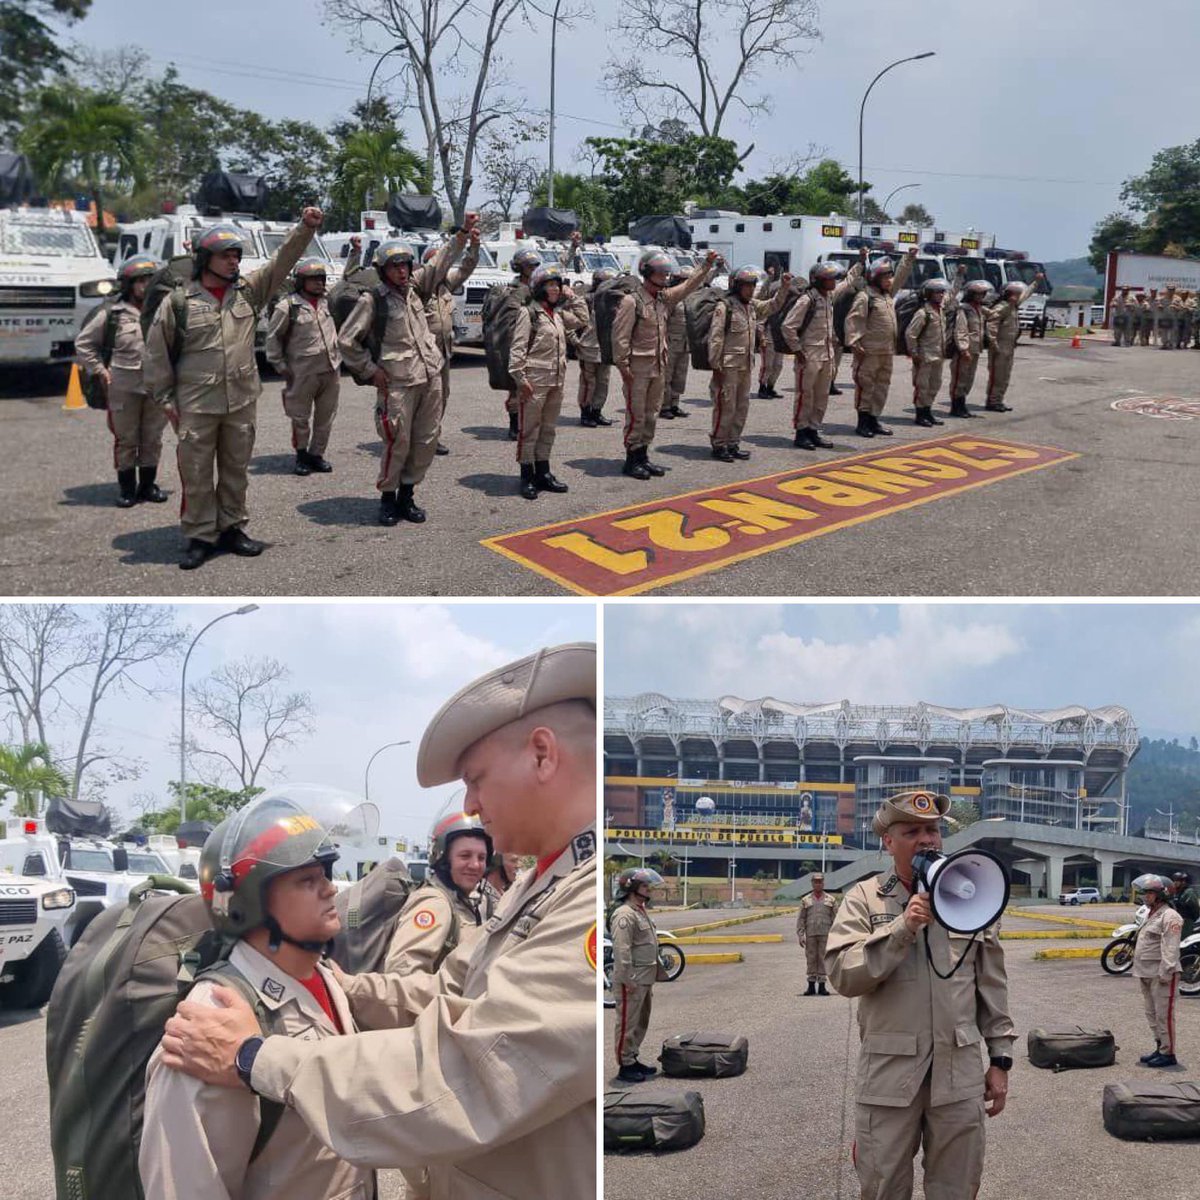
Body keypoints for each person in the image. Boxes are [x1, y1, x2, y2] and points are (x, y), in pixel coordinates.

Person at [159, 643, 597, 1200]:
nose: (470, 803)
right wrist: (341, 988)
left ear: (542, 754)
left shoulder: (582, 898)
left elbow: (469, 1073)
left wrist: (253, 1057)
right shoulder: (217, 1014)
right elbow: (448, 991)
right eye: (305, 880)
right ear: (254, 904)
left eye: (476, 777)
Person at [140, 793, 372, 1200]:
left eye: (325, 874)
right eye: (307, 880)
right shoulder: (209, 1022)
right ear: (248, 904)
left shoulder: (325, 978)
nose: (330, 889)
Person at [826, 789, 1014, 1200]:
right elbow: (842, 976)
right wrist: (901, 929)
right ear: (888, 841)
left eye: (932, 830)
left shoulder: (969, 892)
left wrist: (1000, 1060)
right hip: (890, 1078)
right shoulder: (864, 898)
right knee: (884, 1186)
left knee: (957, 1187)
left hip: (959, 1074)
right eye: (911, 832)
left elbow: (992, 986)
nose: (926, 839)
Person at [143, 208, 322, 570]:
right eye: (225, 255)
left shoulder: (249, 293)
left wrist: (305, 228)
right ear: (205, 259)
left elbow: (282, 261)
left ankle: (232, 528)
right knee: (196, 474)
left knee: (235, 471)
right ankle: (199, 535)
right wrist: (165, 400)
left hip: (240, 402)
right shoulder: (178, 302)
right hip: (196, 404)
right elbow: (156, 355)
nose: (233, 261)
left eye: (236, 255)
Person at [338, 225, 470, 527]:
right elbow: (346, 340)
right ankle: (388, 498)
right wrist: (370, 371)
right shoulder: (373, 300)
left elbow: (439, 262)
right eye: (394, 266)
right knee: (398, 441)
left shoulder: (416, 290)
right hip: (397, 383)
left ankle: (407, 496)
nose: (401, 271)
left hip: (430, 377)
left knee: (426, 440)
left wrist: (462, 236)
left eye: (405, 265)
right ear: (383, 270)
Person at [612, 248, 717, 480]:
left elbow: (689, 286)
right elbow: (620, 337)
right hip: (637, 369)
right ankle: (631, 459)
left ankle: (643, 456)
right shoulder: (631, 301)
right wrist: (623, 367)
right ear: (646, 272)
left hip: (658, 366)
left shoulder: (663, 299)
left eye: (666, 272)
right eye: (659, 272)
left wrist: (706, 265)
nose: (664, 276)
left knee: (652, 414)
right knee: (636, 414)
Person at [75, 255, 170, 508]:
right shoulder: (112, 313)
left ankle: (148, 486)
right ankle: (127, 489)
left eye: (150, 280)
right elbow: (84, 344)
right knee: (126, 439)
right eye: (140, 281)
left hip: (156, 386)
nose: (146, 286)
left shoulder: (164, 310)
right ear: (128, 285)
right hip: (123, 387)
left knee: (152, 438)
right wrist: (99, 369)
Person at [509, 263, 586, 499]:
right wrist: (521, 380)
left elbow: (583, 319)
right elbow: (517, 350)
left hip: (556, 382)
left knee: (548, 429)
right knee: (529, 430)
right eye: (550, 285)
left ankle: (543, 472)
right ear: (539, 288)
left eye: (557, 285)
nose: (555, 289)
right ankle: (526, 476)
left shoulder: (558, 314)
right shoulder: (529, 313)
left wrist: (573, 297)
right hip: (534, 383)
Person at [383, 812, 490, 976]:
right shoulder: (434, 904)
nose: (475, 865)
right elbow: (403, 974)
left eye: (481, 858)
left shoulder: (464, 903)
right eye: (465, 856)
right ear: (443, 859)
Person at [264, 257, 341, 477]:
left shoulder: (327, 302)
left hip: (330, 369)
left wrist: (354, 254)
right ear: (300, 281)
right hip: (302, 372)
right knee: (300, 418)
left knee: (326, 417)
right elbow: (273, 337)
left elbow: (346, 282)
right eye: (313, 279)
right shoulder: (287, 307)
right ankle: (301, 456)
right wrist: (279, 365)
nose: (319, 283)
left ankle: (317, 455)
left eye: (321, 279)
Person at [707, 264, 791, 461]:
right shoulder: (725, 307)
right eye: (747, 286)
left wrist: (784, 287)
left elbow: (773, 305)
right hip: (727, 367)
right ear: (737, 286)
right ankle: (719, 444)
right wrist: (715, 366)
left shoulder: (751, 306)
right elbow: (716, 338)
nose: (750, 290)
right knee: (725, 406)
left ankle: (733, 443)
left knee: (741, 406)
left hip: (745, 365)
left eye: (753, 286)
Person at [419, 221, 481, 455]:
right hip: (423, 353)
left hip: (443, 351)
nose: (443, 267)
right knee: (422, 396)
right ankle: (417, 437)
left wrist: (474, 246)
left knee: (441, 395)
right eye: (439, 263)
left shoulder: (446, 285)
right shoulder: (418, 288)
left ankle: (432, 436)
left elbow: (466, 268)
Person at [845, 249, 916, 438]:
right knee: (866, 387)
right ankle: (862, 422)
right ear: (875, 278)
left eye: (890, 276)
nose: (890, 280)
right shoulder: (865, 297)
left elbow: (901, 277)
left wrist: (908, 259)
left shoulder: (887, 295)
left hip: (886, 351)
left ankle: (874, 419)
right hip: (869, 352)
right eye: (886, 277)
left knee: (881, 387)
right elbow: (853, 320)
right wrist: (855, 343)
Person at [610, 866, 665, 1083]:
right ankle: (625, 1065)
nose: (648, 888)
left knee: (640, 1022)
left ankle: (632, 1057)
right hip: (632, 980)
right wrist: (628, 979)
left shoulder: (640, 911)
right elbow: (621, 950)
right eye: (644, 885)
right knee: (627, 1023)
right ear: (631, 888)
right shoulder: (624, 914)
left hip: (645, 978)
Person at [781, 262, 840, 449]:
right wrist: (797, 350)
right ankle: (801, 432)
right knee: (805, 395)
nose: (834, 281)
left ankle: (814, 430)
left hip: (826, 354)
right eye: (830, 278)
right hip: (809, 355)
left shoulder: (828, 298)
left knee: (821, 396)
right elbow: (788, 326)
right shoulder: (807, 300)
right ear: (818, 280)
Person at [1130, 873, 1183, 1068]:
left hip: (1161, 974)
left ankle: (1169, 1054)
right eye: (1145, 892)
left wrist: (1166, 972)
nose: (1146, 896)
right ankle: (1160, 1047)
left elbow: (1171, 946)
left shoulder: (1170, 916)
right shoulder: (1150, 913)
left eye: (1150, 893)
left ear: (1162, 895)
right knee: (1151, 1014)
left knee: (1164, 1015)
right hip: (1146, 972)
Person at [498, 246, 544, 439]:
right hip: (518, 344)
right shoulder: (513, 291)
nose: (533, 269)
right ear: (519, 267)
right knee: (516, 389)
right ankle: (514, 424)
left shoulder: (537, 287)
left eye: (535, 265)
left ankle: (527, 423)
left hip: (537, 345)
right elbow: (510, 321)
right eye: (529, 266)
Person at [983, 274, 1042, 413]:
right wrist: (993, 344)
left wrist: (1036, 282)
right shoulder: (1001, 307)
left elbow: (1026, 294)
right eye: (1015, 293)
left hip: (1009, 346)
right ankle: (992, 401)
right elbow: (991, 325)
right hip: (1000, 346)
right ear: (1008, 294)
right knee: (997, 375)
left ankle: (998, 400)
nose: (1018, 296)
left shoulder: (1013, 306)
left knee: (1005, 375)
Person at [905, 278, 952, 428]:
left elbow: (952, 293)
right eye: (938, 292)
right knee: (922, 386)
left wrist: (959, 276)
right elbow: (910, 334)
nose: (941, 295)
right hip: (925, 356)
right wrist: (914, 353)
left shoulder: (940, 309)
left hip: (938, 355)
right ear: (929, 294)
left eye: (942, 292)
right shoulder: (923, 313)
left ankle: (928, 411)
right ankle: (920, 414)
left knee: (935, 385)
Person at [947, 279, 992, 419]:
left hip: (975, 349)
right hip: (965, 350)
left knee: (968, 379)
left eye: (983, 294)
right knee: (959, 379)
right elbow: (961, 330)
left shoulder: (979, 309)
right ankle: (956, 406)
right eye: (978, 294)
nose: (981, 296)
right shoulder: (964, 309)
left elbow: (994, 314)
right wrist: (963, 349)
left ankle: (962, 405)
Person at [577, 267, 615, 428]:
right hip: (589, 348)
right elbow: (573, 322)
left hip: (605, 349)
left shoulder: (614, 301)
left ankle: (596, 411)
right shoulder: (586, 299)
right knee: (588, 383)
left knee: (603, 382)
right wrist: (576, 341)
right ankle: (585, 413)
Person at [661, 265, 694, 420]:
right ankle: (664, 406)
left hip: (685, 344)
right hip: (671, 344)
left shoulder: (690, 300)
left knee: (680, 376)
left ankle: (674, 404)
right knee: (666, 376)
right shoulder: (672, 299)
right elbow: (662, 321)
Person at [796, 871, 837, 996]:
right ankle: (811, 985)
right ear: (812, 884)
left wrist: (837, 935)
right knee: (811, 958)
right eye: (816, 882)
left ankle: (822, 985)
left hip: (826, 934)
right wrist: (801, 935)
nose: (818, 884)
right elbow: (801, 918)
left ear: (823, 883)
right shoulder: (805, 900)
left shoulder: (831, 900)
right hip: (811, 934)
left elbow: (836, 919)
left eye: (820, 882)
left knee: (823, 958)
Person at [756, 264, 785, 399]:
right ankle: (762, 387)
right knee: (767, 365)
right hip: (768, 336)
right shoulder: (768, 306)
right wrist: (762, 337)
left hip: (779, 337)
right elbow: (760, 322)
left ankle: (770, 387)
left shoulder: (784, 308)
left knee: (778, 365)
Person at [1171, 870, 1199, 941]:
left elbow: (1195, 908)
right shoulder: (1176, 893)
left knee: (1181, 940)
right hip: (1176, 920)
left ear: (1183, 882)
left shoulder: (1188, 892)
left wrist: (1190, 919)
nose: (1174, 883)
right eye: (1174, 880)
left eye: (1177, 881)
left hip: (1186, 921)